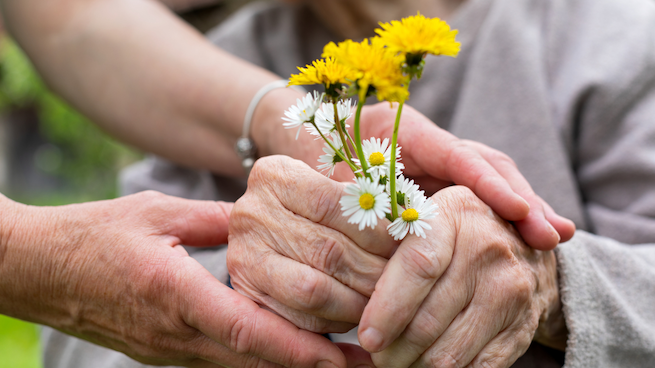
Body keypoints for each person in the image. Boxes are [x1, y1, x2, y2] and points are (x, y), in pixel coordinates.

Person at [45, 0, 655, 367]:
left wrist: (554, 286)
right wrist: (246, 298)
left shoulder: (610, 41)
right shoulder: (219, 66)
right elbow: (81, 342)